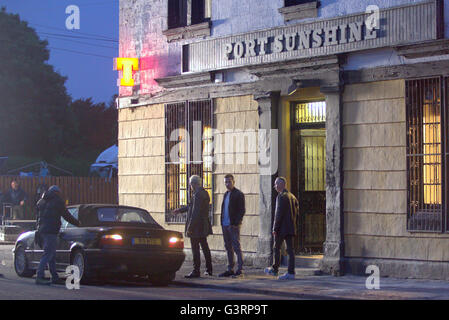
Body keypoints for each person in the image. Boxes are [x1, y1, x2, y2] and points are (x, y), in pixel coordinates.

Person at [35, 185, 80, 285]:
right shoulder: (58, 201)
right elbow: (66, 215)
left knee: (51, 255)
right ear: (57, 193)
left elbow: (38, 217)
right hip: (51, 231)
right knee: (48, 254)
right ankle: (39, 276)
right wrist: (78, 223)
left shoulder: (41, 201)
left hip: (42, 230)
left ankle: (54, 277)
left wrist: (38, 230)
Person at [172, 175, 213, 278]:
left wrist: (190, 227)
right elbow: (191, 207)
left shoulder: (197, 194)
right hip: (202, 224)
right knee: (204, 247)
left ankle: (196, 270)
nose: (190, 186)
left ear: (193, 184)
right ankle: (209, 269)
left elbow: (195, 212)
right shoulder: (203, 193)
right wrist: (180, 210)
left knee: (195, 248)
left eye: (190, 184)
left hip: (196, 226)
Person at [264, 177, 299, 280]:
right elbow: (297, 214)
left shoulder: (281, 196)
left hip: (282, 228)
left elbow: (278, 214)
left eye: (276, 184)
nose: (275, 186)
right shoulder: (293, 196)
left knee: (276, 248)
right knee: (290, 250)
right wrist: (294, 225)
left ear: (281, 185)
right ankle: (291, 272)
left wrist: (275, 228)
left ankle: (275, 269)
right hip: (290, 227)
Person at [219, 174, 246, 278]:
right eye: (225, 182)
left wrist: (236, 223)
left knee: (236, 247)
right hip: (225, 225)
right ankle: (230, 268)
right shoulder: (225, 194)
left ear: (233, 182)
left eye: (229, 182)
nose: (227, 184)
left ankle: (240, 269)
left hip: (233, 225)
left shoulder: (238, 194)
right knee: (228, 247)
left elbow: (242, 210)